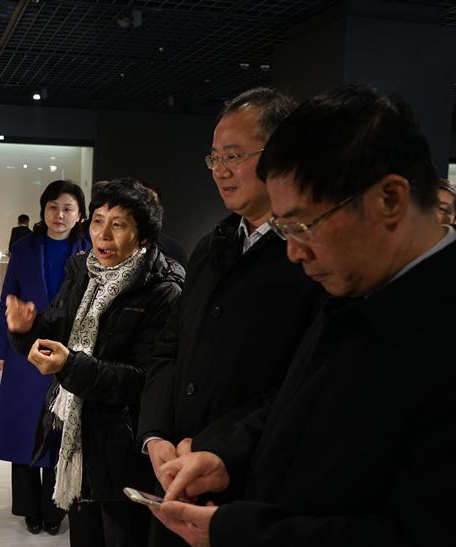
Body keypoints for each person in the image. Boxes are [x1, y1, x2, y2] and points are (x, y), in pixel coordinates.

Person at [152, 83, 456, 547]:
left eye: (303, 225)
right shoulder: (353, 290)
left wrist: (238, 531)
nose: (293, 251)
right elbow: (293, 406)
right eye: (283, 228)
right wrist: (227, 459)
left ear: (390, 199)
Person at [136, 88, 324, 547]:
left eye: (234, 156)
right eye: (214, 158)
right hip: (178, 474)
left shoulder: (311, 257)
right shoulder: (210, 246)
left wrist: (220, 448)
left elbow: (304, 383)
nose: (220, 170)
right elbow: (169, 348)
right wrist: (155, 435)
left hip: (254, 485)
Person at [6, 178, 185, 547]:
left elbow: (143, 379)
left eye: (117, 224)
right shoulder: (82, 272)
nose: (103, 234)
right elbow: (54, 325)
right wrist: (26, 331)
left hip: (125, 450)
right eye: (98, 221)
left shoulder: (163, 290)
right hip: (79, 443)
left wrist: (69, 366)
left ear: (142, 236)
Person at [0, 180, 90, 536]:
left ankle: (55, 507)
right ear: (43, 210)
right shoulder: (25, 248)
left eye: (67, 208)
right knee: (24, 430)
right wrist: (1, 348)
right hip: (26, 351)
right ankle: (29, 507)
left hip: (70, 352)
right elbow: (9, 298)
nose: (59, 215)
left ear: (79, 215)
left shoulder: (89, 250)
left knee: (61, 432)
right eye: (53, 207)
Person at [141, 181, 189, 268]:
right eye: (142, 203)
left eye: (152, 204)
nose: (147, 210)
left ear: (160, 211)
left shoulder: (175, 250)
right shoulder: (117, 244)